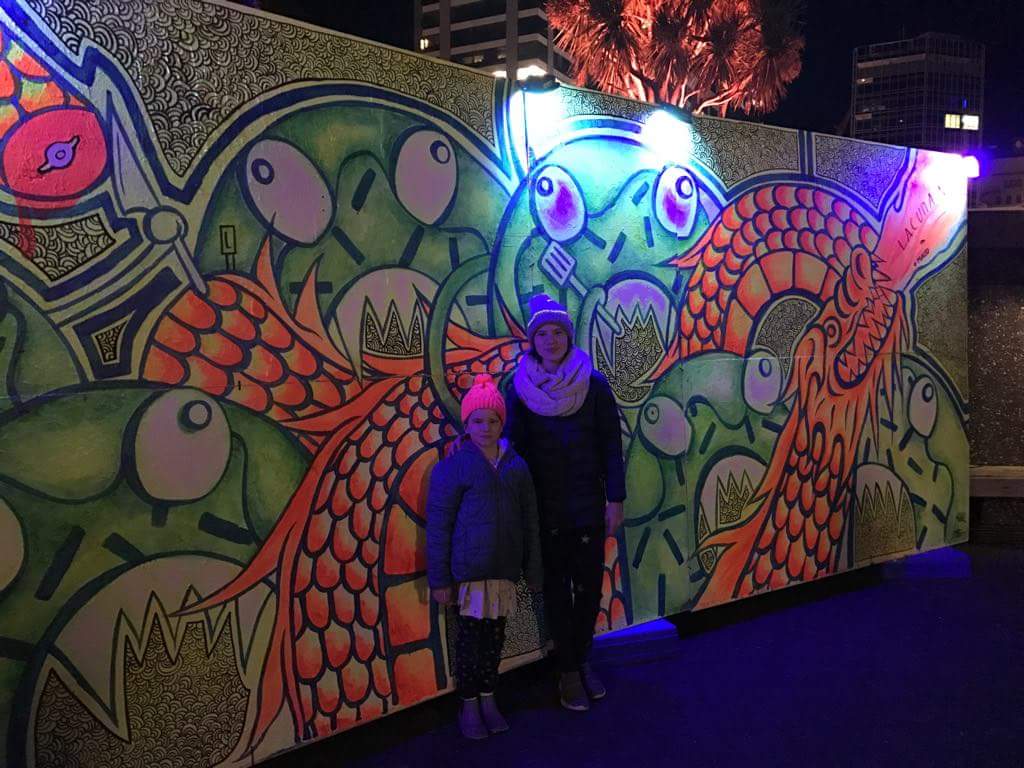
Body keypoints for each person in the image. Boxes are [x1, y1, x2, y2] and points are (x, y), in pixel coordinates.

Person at [504, 294, 626, 712]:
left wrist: (615, 499)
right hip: (545, 510)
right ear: (533, 340)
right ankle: (569, 672)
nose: (551, 340)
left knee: (589, 590)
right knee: (555, 592)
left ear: (569, 336)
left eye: (558, 332)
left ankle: (583, 658)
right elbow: (513, 451)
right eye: (543, 333)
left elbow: (611, 445)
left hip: (588, 504)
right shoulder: (518, 389)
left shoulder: (594, 384)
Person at [426, 373, 543, 740]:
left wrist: (534, 570)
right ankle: (469, 702)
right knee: (469, 643)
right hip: (469, 577)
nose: (485, 428)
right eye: (478, 421)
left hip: (503, 573)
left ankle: (489, 696)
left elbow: (530, 521)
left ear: (501, 423)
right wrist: (440, 579)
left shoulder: (517, 466)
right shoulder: (454, 468)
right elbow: (439, 526)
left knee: (494, 641)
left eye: (493, 420)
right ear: (466, 423)